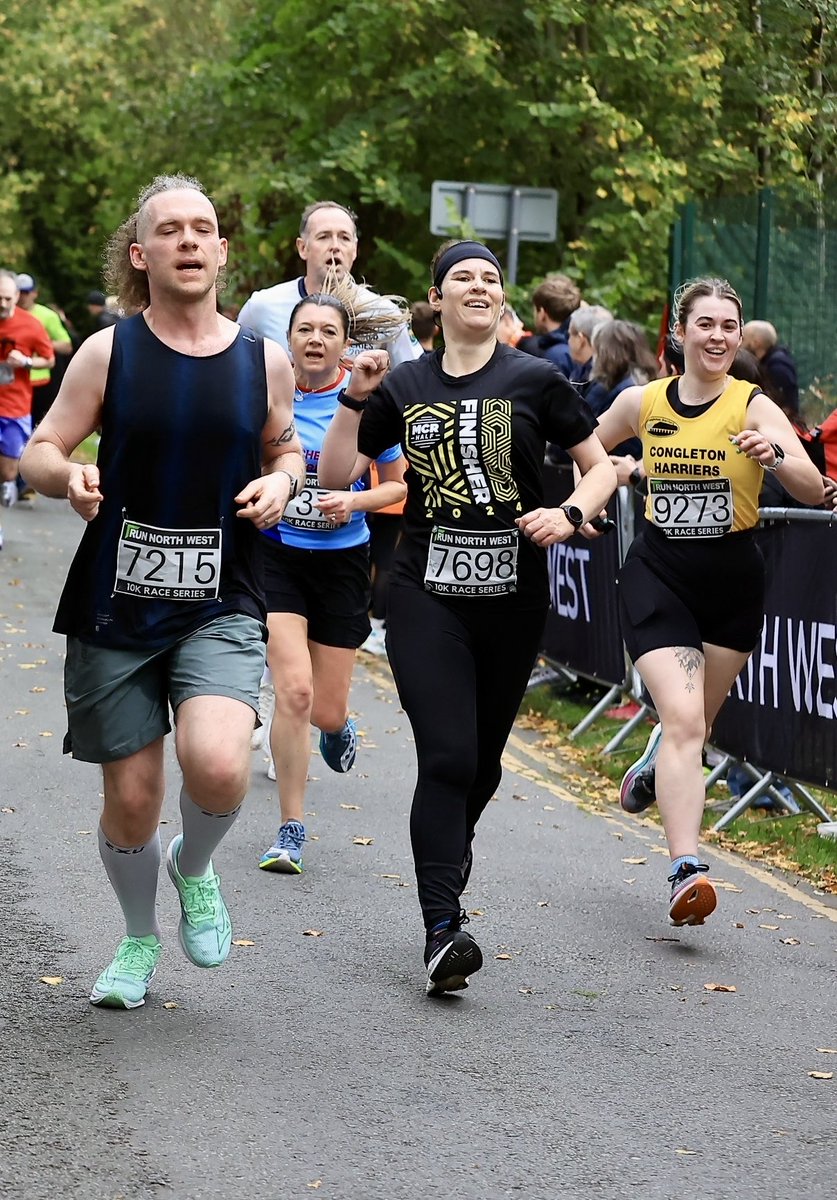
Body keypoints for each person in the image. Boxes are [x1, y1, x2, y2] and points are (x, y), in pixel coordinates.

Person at [20, 174, 304, 1010]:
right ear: (141, 254)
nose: (188, 239)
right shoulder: (109, 352)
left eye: (201, 228)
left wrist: (284, 482)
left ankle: (195, 865)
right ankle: (140, 937)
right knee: (134, 799)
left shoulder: (263, 360)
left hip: (221, 596)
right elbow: (41, 448)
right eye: (169, 229)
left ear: (221, 250)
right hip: (116, 600)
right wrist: (67, 476)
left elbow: (285, 448)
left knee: (217, 765)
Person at [318, 239, 616, 997]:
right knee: (448, 757)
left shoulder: (536, 378)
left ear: (502, 299)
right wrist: (354, 398)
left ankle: (448, 853)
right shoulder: (403, 383)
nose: (479, 286)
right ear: (438, 298)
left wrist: (569, 512)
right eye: (463, 277)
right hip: (425, 592)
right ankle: (442, 929)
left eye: (490, 278)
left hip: (513, 597)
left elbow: (600, 467)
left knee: (481, 765)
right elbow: (335, 474)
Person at [593, 277, 823, 927]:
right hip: (658, 573)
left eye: (728, 325)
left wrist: (774, 455)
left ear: (738, 335)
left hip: (731, 582)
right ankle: (685, 869)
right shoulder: (642, 401)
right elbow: (588, 447)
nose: (717, 336)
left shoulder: (753, 406)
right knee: (686, 724)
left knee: (694, 726)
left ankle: (652, 762)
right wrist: (596, 487)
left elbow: (812, 489)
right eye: (705, 324)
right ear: (679, 332)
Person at [258, 292, 407, 873]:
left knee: (323, 710)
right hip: (278, 557)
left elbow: (397, 485)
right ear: (289, 339)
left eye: (327, 331)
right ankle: (290, 829)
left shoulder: (370, 403)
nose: (315, 339)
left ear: (345, 344)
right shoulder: (270, 396)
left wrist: (354, 500)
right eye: (305, 330)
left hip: (342, 563)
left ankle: (339, 726)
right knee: (293, 692)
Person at [238, 200, 422, 367]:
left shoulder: (383, 313)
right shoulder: (262, 307)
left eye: (344, 238)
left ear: (355, 250)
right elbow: (235, 368)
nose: (335, 246)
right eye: (324, 236)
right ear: (303, 248)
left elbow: (416, 378)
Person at [0, 270, 54, 536]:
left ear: (17, 297)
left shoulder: (30, 325)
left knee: (8, 473)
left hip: (14, 407)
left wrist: (27, 362)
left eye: (7, 299)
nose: (2, 304)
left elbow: (49, 359)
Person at [15, 273, 74, 427]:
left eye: (26, 292)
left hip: (40, 380)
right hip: (13, 381)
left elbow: (66, 346)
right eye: (19, 292)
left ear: (34, 293)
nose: (22, 297)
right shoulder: (7, 314)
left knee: (39, 426)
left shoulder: (47, 315)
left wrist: (40, 344)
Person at [742, 320, 800, 414]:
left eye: (743, 339)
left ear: (756, 343)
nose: (739, 343)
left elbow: (786, 407)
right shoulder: (770, 362)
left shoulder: (778, 368)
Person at [567, 304, 612, 389]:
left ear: (580, 339)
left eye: (570, 335)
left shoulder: (599, 382)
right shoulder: (581, 371)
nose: (568, 341)